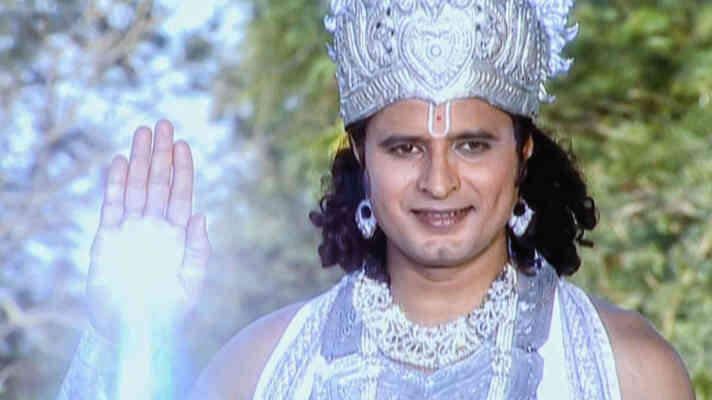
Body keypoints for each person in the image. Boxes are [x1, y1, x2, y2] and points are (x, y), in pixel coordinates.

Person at [59, 0, 695, 399]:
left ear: (522, 154)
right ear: (363, 156)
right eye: (406, 148)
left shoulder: (627, 373)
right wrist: (121, 340)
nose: (439, 182)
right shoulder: (261, 371)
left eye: (472, 146)